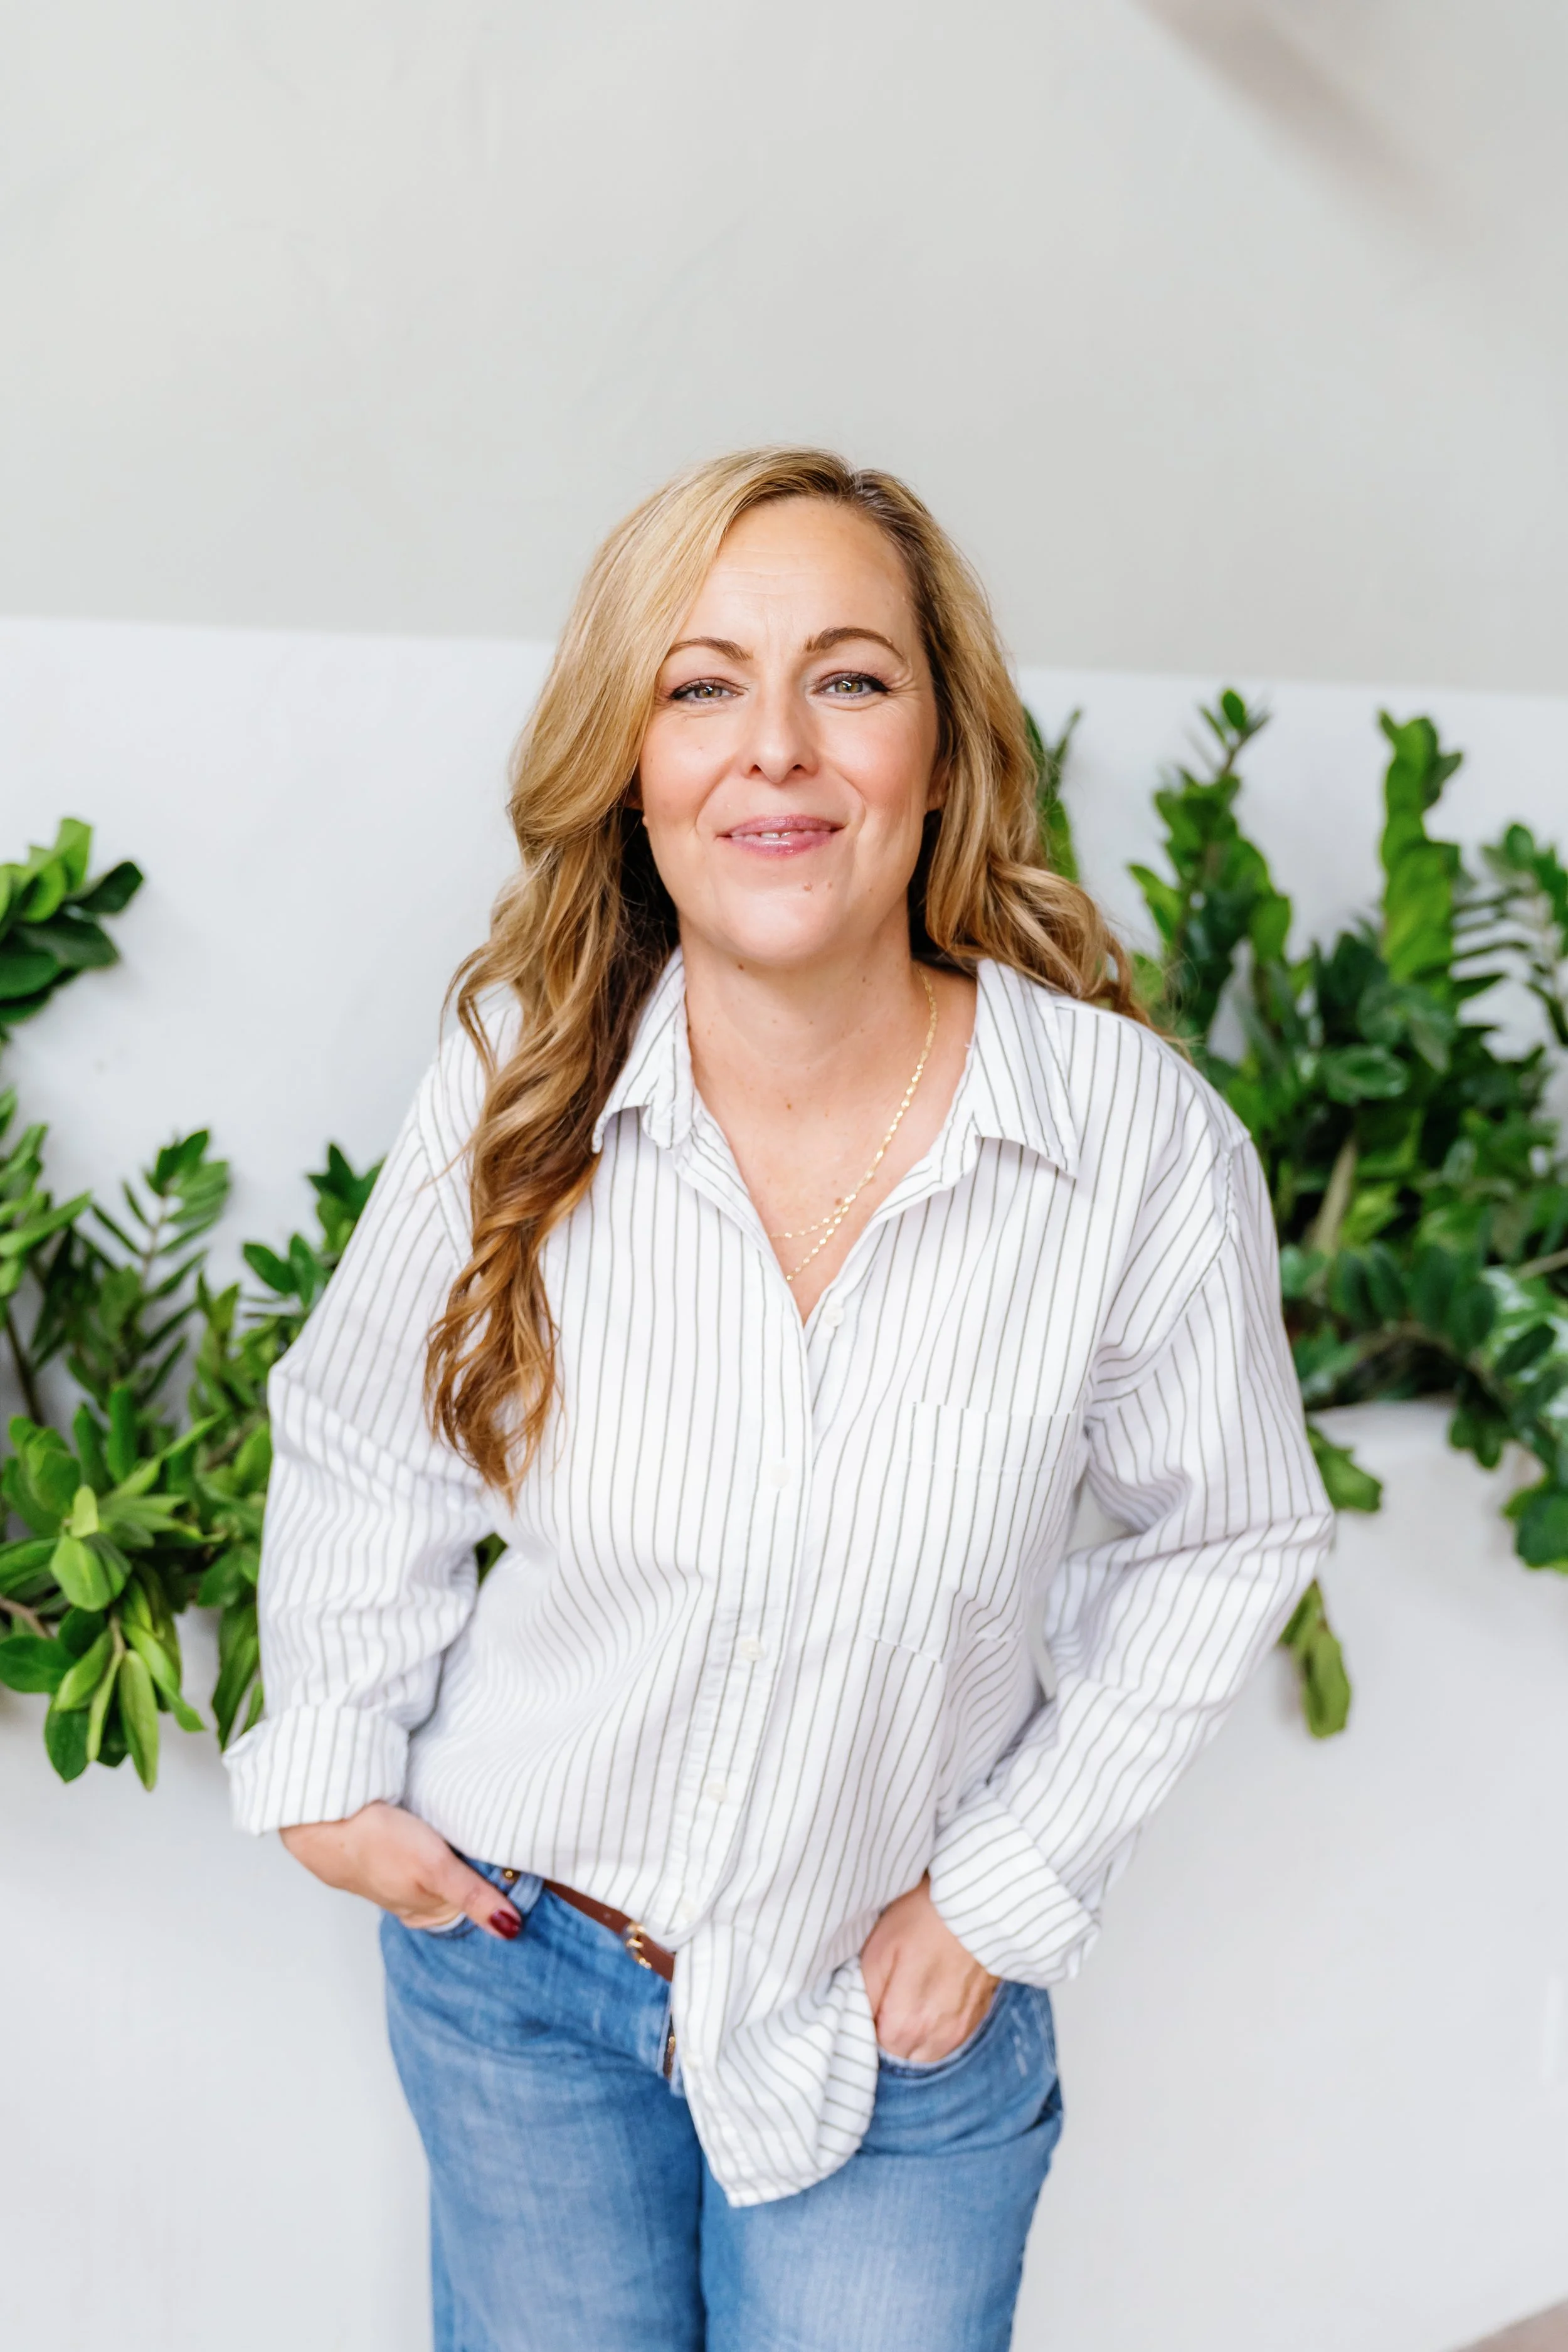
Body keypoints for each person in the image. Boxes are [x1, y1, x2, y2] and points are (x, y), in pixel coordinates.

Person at [226, 448, 1333, 2351]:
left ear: (941, 743)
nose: (777, 750)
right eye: (701, 681)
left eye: (848, 676)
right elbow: (366, 1426)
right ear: (632, 757)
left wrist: (999, 1890)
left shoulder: (1125, 1138)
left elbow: (1227, 1532)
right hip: (520, 1978)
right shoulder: (524, 1071)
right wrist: (325, 1750)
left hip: (882, 2019)